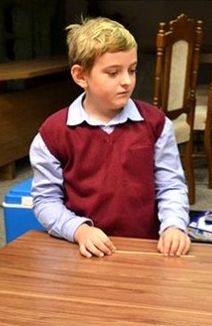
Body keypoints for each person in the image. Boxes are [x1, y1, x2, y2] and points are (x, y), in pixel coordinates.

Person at [30, 17, 191, 258]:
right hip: (84, 251)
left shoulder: (156, 125)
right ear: (81, 76)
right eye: (113, 73)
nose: (127, 81)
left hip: (145, 250)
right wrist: (79, 230)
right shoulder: (53, 134)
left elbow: (171, 186)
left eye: (132, 70)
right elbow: (46, 200)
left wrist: (174, 225)